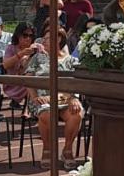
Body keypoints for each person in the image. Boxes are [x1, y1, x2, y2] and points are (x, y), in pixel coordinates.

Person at [25, 28, 83, 167]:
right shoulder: (37, 58)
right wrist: (34, 98)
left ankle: (67, 150)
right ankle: (47, 149)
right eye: (43, 38)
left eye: (47, 38)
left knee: (77, 113)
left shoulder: (70, 60)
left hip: (65, 99)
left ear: (57, 39)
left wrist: (74, 97)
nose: (43, 41)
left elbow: (76, 82)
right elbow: (28, 80)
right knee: (47, 113)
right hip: (42, 99)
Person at [2, 21, 42, 108]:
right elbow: (5, 65)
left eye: (30, 36)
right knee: (32, 82)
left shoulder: (36, 49)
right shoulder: (11, 48)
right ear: (18, 35)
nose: (28, 38)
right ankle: (28, 109)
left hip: (32, 80)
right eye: (25, 35)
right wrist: (21, 54)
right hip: (14, 83)